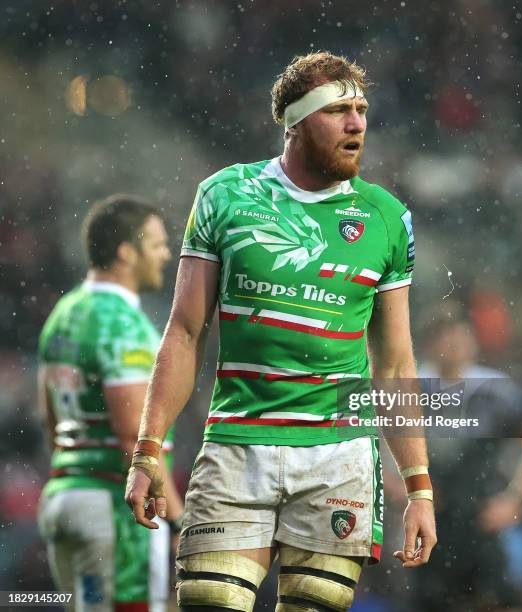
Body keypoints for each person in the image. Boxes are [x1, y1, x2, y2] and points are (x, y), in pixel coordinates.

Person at [125, 51, 437, 611]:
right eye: (338, 110)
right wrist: (147, 450)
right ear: (294, 123)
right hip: (236, 448)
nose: (357, 124)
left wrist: (419, 487)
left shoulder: (388, 218)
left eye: (361, 110)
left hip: (337, 457)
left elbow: (395, 364)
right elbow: (185, 331)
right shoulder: (225, 196)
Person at [37, 194, 184, 612]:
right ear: (126, 252)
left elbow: (50, 420)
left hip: (65, 497)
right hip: (113, 509)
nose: (165, 254)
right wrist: (175, 518)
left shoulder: (64, 313)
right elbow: (132, 440)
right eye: (156, 245)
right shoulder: (121, 323)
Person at [404, 304, 522, 611]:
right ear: (428, 343)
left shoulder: (495, 390)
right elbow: (377, 450)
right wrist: (405, 493)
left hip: (483, 518)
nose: (454, 343)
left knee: (496, 601)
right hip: (430, 521)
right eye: (445, 335)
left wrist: (516, 501)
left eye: (461, 334)